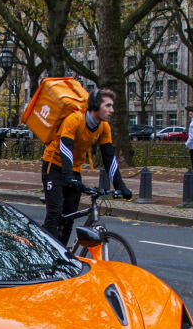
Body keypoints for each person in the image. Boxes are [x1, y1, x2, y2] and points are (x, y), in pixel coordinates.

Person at [41, 88, 132, 245]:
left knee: (70, 216)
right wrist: (68, 176)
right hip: (54, 166)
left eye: (112, 106)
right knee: (55, 213)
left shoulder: (104, 127)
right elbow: (65, 148)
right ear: (95, 105)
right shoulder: (74, 119)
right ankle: (50, 253)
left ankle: (62, 253)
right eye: (108, 105)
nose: (112, 110)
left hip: (74, 170)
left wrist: (120, 186)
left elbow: (109, 157)